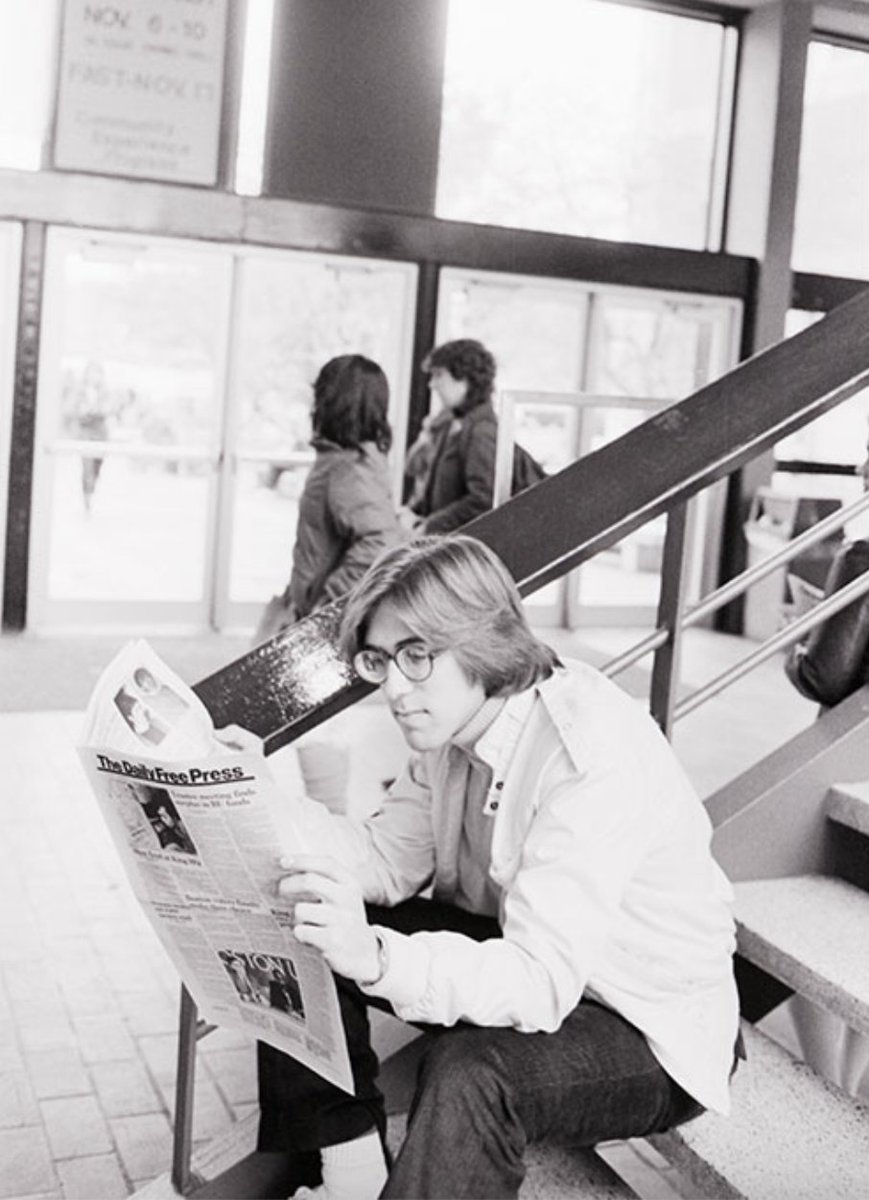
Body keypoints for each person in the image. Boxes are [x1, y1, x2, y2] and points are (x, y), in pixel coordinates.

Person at [254, 534, 741, 1200]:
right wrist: (253, 796)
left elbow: (540, 983)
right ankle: (354, 1178)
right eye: (380, 660)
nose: (393, 688)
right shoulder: (450, 726)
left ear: (481, 640)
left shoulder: (588, 755)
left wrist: (373, 956)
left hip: (647, 1024)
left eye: (416, 656)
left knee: (469, 1073)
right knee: (307, 910)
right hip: (541, 961)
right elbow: (386, 862)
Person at [783, 453, 869, 1097]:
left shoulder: (861, 555)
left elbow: (827, 674)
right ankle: (856, 1085)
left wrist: (794, 645)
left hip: (850, 752)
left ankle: (827, 1082)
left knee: (796, 907)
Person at [282, 354, 404, 623]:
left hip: (324, 619)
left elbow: (380, 542)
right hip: (312, 609)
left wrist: (328, 604)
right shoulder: (343, 459)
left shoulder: (350, 469)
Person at [402, 338, 499, 534]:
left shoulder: (482, 431)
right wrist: (412, 514)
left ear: (465, 379)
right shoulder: (450, 424)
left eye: (439, 375)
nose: (432, 384)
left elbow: (482, 501)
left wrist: (429, 526)